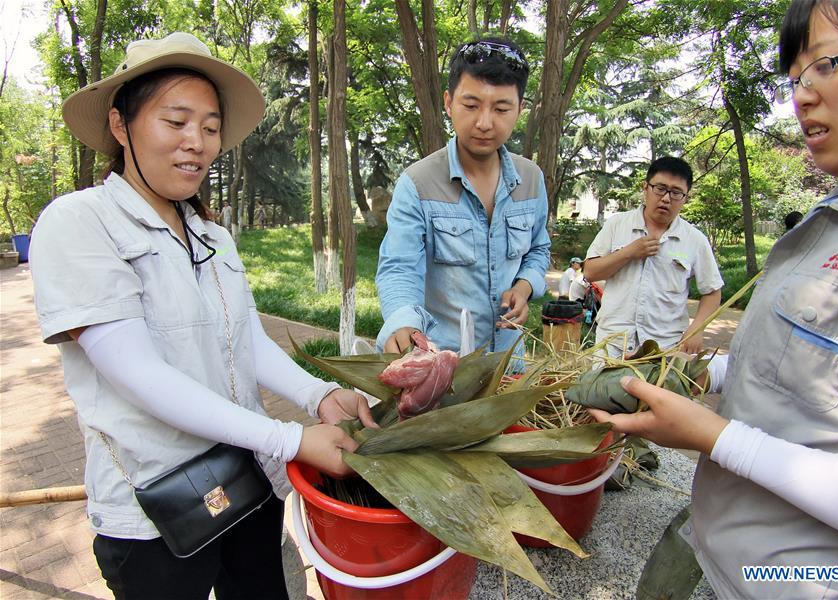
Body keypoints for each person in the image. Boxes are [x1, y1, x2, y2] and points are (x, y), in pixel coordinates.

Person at [29, 32, 376, 599]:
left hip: (244, 484)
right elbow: (139, 376)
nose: (197, 142)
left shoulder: (211, 235)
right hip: (155, 512)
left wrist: (319, 396)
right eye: (176, 121)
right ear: (121, 126)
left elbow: (246, 340)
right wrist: (290, 439)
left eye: (210, 127)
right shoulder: (80, 223)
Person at [591, 1, 838, 597]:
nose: (802, 96)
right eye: (796, 77)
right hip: (723, 552)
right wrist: (713, 377)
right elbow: (818, 383)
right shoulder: (833, 220)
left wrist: (714, 436)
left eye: (828, 64)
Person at [375, 37, 551, 354]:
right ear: (448, 102)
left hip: (507, 365)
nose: (484, 123)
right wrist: (403, 322)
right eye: (470, 106)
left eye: (501, 108)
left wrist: (524, 287)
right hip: (442, 369)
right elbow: (399, 268)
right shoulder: (418, 183)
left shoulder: (531, 180)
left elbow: (538, 250)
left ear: (520, 109)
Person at [582, 156, 723, 356]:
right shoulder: (617, 225)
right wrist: (629, 253)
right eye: (660, 188)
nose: (666, 198)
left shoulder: (694, 240)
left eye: (676, 193)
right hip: (613, 344)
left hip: (664, 348)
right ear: (645, 187)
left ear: (685, 198)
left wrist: (698, 328)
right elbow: (590, 272)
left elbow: (712, 291)